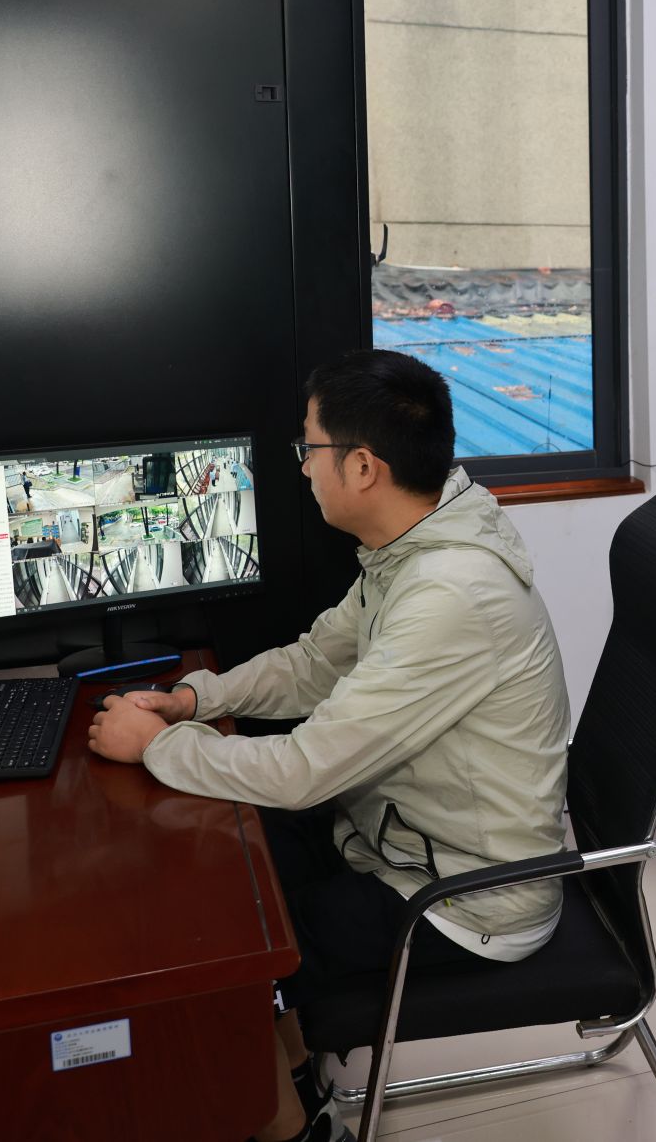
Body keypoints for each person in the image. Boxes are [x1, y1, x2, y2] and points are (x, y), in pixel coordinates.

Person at [86, 350, 569, 1142]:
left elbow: (305, 770)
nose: (303, 465)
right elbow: (314, 663)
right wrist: (194, 699)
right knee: (234, 854)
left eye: (309, 447)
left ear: (364, 467)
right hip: (404, 839)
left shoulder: (449, 593)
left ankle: (293, 1125)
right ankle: (294, 1077)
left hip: (466, 897)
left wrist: (157, 747)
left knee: (226, 948)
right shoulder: (414, 546)